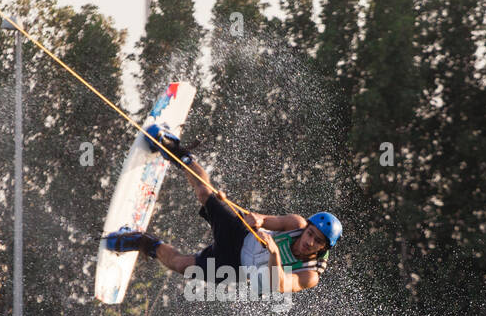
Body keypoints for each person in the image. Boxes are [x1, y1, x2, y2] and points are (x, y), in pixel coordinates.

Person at [104, 123, 342, 296]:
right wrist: (254, 219)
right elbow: (264, 219)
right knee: (205, 193)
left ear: (323, 247)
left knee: (181, 266)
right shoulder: (296, 224)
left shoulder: (310, 275)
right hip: (244, 234)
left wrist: (275, 254)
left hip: (235, 266)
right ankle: (175, 150)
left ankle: (140, 241)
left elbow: (278, 284)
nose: (309, 241)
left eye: (317, 241)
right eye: (311, 233)